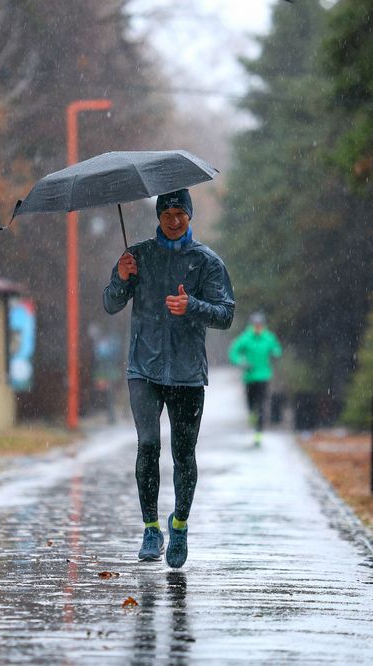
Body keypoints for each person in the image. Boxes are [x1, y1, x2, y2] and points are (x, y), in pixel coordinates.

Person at [103, 188, 234, 568]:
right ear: (158, 216)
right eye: (167, 213)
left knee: (182, 454)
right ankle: (150, 529)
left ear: (190, 216)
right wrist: (121, 277)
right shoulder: (138, 256)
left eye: (181, 212)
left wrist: (191, 306)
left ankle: (179, 526)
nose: (174, 219)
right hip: (143, 369)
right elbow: (111, 304)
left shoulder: (207, 262)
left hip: (187, 373)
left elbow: (226, 314)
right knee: (147, 445)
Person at [228, 311, 282, 447]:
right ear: (251, 325)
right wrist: (241, 361)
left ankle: (259, 433)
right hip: (249, 377)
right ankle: (252, 413)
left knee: (262, 404)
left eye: (260, 324)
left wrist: (275, 353)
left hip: (264, 376)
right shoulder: (245, 338)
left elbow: (277, 349)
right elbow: (233, 352)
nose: (258, 327)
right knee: (251, 403)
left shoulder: (269, 338)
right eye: (255, 324)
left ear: (263, 325)